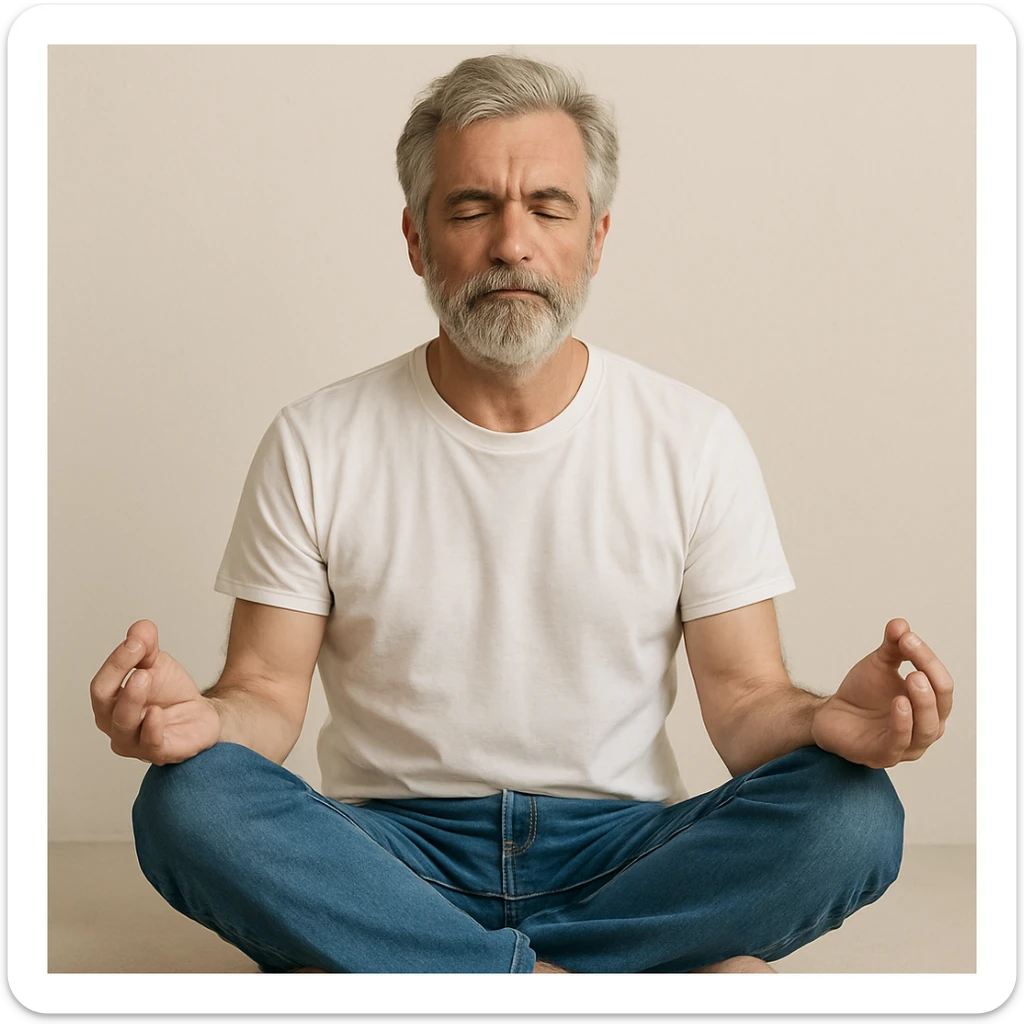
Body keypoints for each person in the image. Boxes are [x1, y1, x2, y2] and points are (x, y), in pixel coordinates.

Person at [90, 54, 954, 975]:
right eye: (471, 209)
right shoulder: (317, 438)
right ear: (419, 241)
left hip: (625, 853)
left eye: (548, 207)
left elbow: (745, 704)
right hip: (392, 855)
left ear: (597, 237)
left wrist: (828, 722)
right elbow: (263, 694)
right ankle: (583, 977)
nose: (512, 243)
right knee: (188, 803)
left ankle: (435, 971)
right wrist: (196, 725)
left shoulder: (693, 437)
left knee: (853, 813)